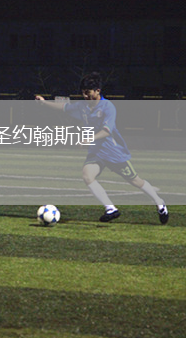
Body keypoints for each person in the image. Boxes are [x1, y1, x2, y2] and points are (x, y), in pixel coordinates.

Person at [35, 72, 169, 224]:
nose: (85, 96)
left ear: (97, 91)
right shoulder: (82, 106)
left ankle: (160, 203)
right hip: (96, 153)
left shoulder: (108, 107)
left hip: (113, 152)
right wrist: (44, 103)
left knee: (136, 181)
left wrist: (89, 139)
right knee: (87, 176)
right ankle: (110, 208)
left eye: (88, 93)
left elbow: (106, 130)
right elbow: (64, 107)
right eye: (83, 93)